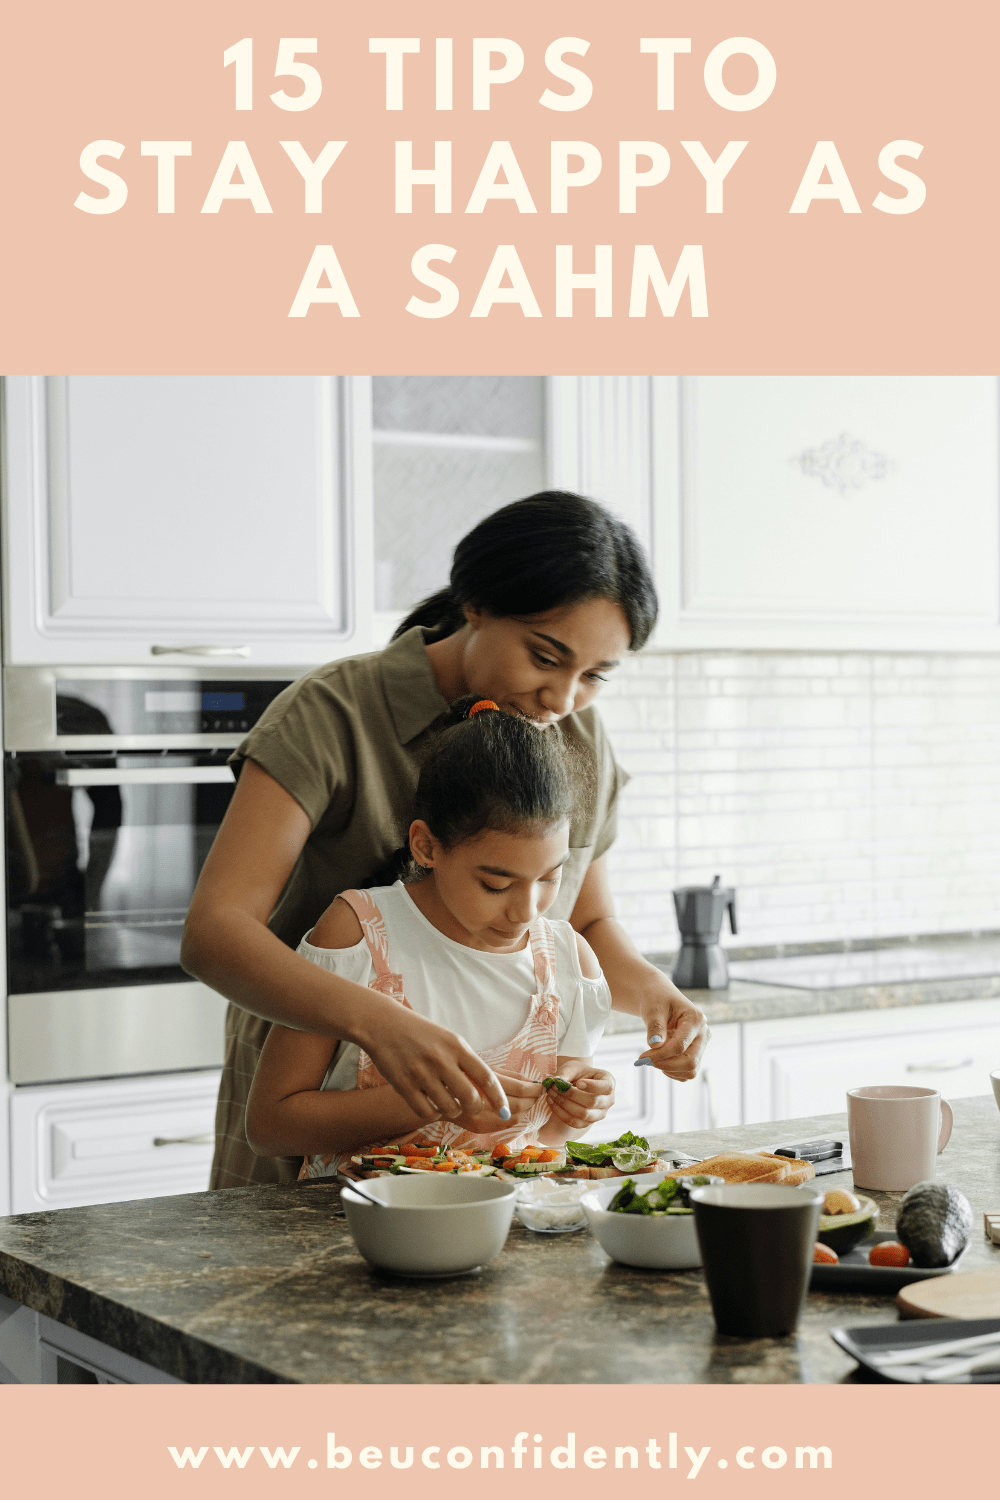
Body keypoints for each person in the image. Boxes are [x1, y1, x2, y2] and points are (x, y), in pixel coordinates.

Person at [181, 490, 710, 1190]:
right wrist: (380, 1024)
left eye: (594, 677)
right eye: (545, 657)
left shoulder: (576, 735)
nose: (563, 698)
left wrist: (653, 995)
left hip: (485, 1161)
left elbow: (584, 920)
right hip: (313, 1105)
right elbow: (215, 932)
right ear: (477, 605)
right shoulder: (332, 713)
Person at [246, 698, 616, 1174]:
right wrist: (436, 1102)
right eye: (496, 884)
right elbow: (270, 1126)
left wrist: (578, 1110)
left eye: (550, 877)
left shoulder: (569, 963)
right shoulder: (359, 934)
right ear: (426, 845)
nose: (527, 910)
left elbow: (547, 1139)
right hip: (356, 1230)